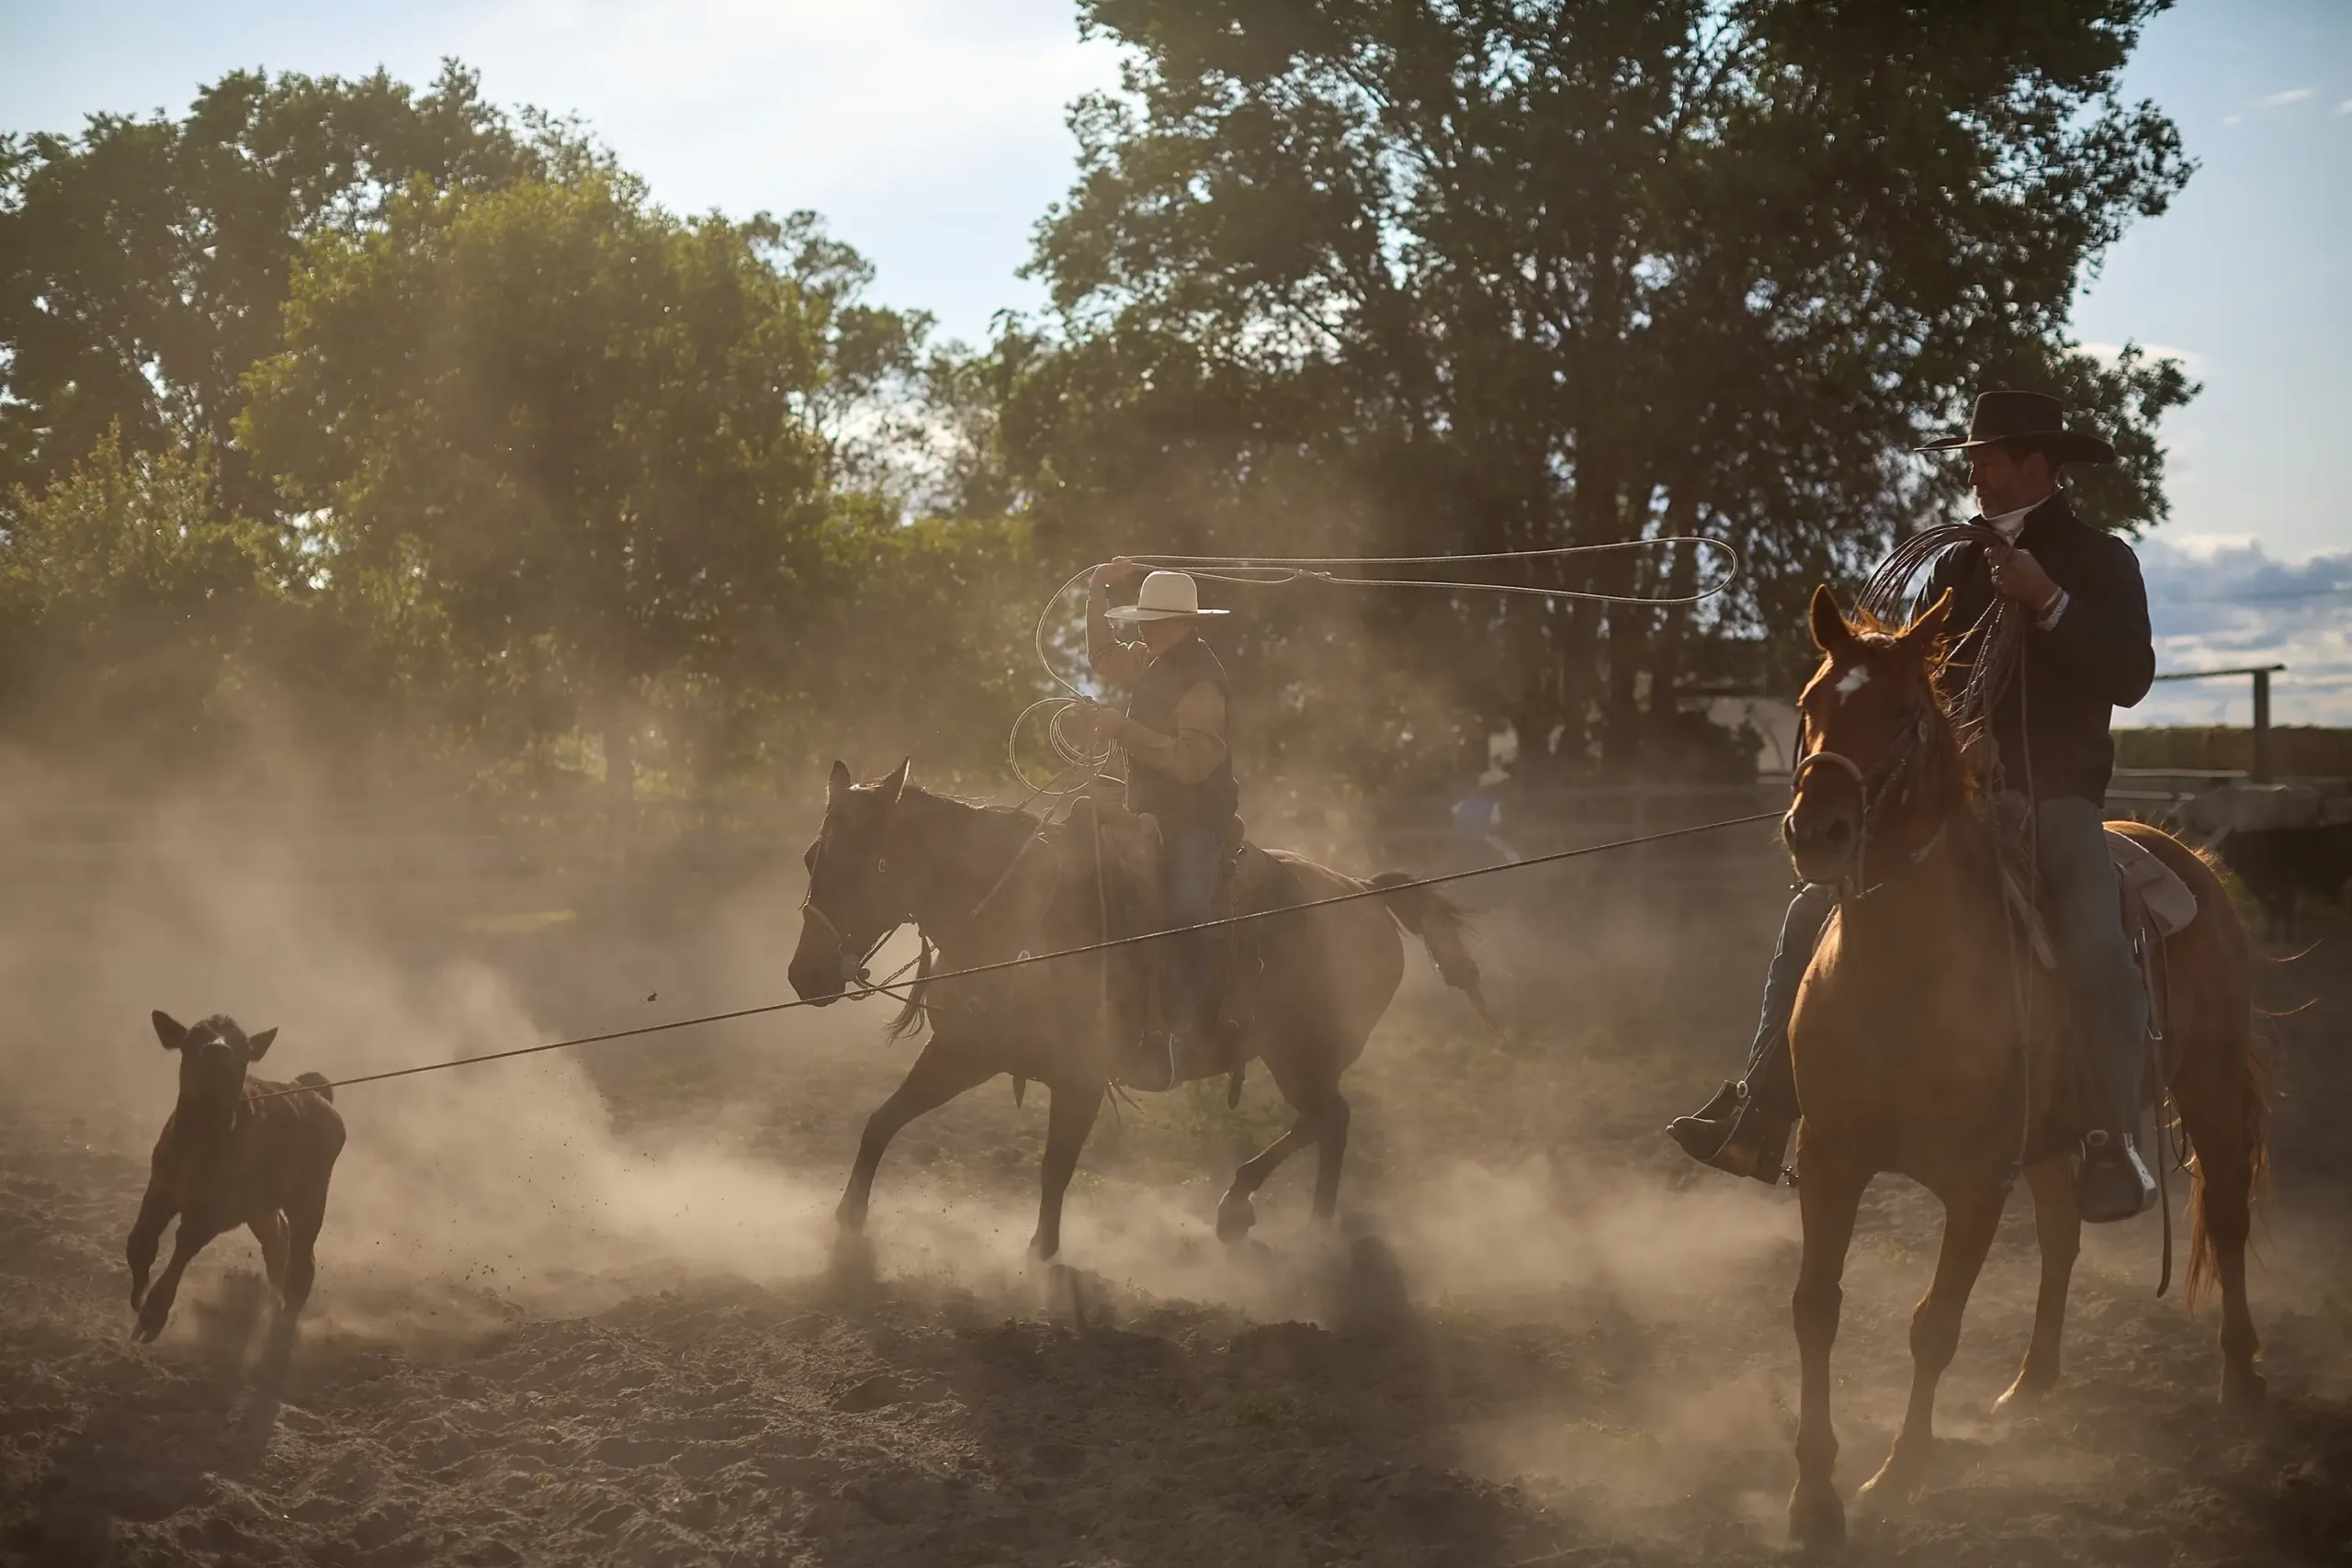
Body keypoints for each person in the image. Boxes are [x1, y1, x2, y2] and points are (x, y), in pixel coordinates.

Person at [1666, 389, 2159, 1224]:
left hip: (2059, 798)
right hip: (1957, 795)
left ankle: (2110, 1140)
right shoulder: (1957, 566)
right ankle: (1762, 1109)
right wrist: (1957, 735)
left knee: (2095, 940)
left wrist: (2049, 600)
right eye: (1973, 460)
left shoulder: (2099, 560)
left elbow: (2130, 676)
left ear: (2037, 465)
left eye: (1988, 460)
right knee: (1805, 920)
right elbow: (1924, 689)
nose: (1975, 474)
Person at [1077, 561, 1241, 1090]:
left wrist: (1120, 729)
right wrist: (1097, 590)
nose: (1144, 628)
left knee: (1187, 911)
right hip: (1147, 808)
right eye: (1143, 619)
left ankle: (1177, 1032)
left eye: (1153, 620)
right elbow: (1104, 657)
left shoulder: (1202, 686)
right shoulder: (1155, 659)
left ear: (1181, 622)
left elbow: (1191, 763)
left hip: (1194, 823)